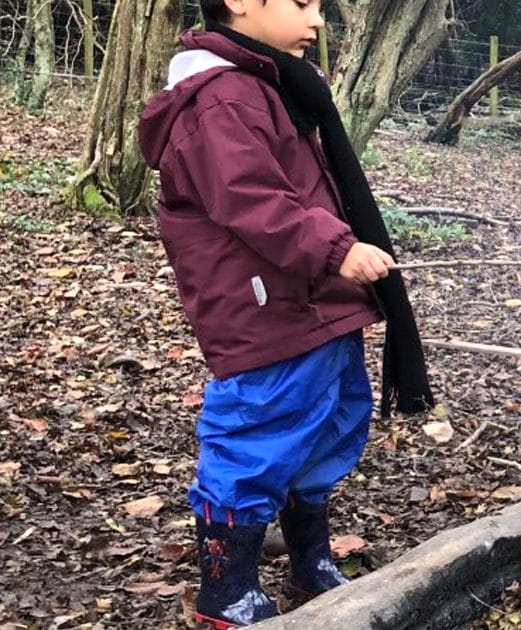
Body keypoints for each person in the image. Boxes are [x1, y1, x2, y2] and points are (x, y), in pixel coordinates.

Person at [137, 0, 436, 625]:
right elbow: (252, 200)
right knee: (258, 431)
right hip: (264, 305)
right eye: (302, 2)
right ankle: (227, 589)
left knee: (327, 422)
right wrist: (337, 248)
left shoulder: (272, 84)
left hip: (314, 301)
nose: (318, 19)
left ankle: (309, 558)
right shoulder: (219, 99)